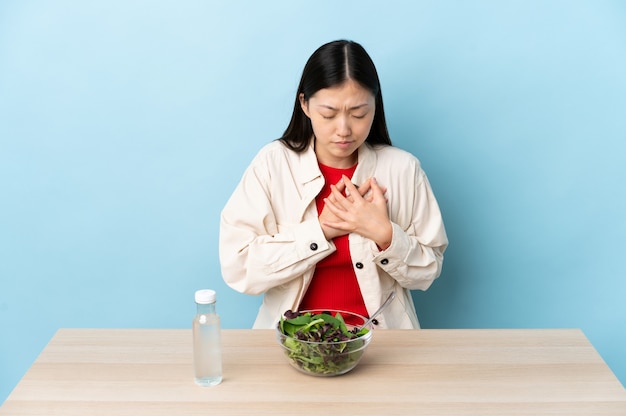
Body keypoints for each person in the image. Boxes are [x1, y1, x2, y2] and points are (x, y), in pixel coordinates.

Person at [219, 39, 448, 329]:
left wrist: (384, 234)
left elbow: (428, 270)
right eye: (328, 114)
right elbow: (239, 268)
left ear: (375, 106)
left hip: (385, 344)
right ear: (304, 104)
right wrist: (322, 230)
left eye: (359, 114)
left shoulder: (403, 168)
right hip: (293, 345)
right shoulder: (272, 164)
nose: (344, 130)